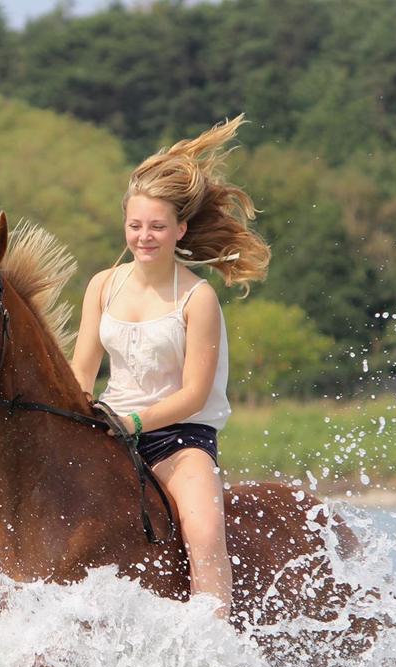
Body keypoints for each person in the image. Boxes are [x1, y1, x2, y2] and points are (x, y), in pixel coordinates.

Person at [70, 115, 270, 619]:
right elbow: (82, 372)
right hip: (108, 432)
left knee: (205, 532)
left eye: (157, 227)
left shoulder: (198, 298)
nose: (145, 236)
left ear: (180, 229)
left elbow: (194, 394)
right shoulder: (102, 284)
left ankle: (214, 634)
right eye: (135, 225)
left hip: (179, 441)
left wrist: (133, 422)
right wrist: (77, 418)